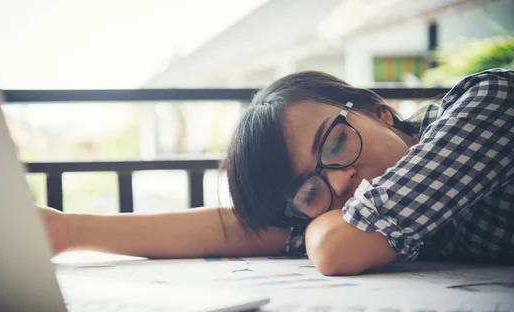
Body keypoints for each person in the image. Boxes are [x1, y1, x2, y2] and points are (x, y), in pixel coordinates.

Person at [40, 68, 514, 275]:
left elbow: (337, 248)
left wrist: (321, 222)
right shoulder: (374, 212)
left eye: (336, 140)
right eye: (310, 190)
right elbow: (241, 229)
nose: (339, 181)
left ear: (377, 111)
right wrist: (69, 230)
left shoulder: (488, 105)